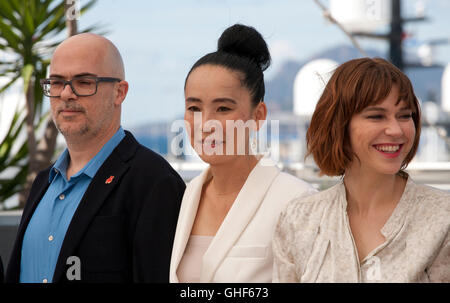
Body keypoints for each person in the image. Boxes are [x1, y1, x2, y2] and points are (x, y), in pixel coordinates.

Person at [6, 33, 185, 283]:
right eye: (57, 82)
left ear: (119, 93)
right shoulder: (43, 183)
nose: (67, 94)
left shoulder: (154, 182)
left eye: (84, 82)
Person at [273, 57, 450, 282]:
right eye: (376, 116)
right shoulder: (299, 220)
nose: (396, 130)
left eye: (405, 116)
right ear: (338, 125)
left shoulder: (443, 220)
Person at [169, 24, 316, 283]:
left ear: (257, 116)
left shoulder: (297, 202)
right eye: (194, 108)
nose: (206, 124)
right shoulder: (186, 197)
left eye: (223, 109)